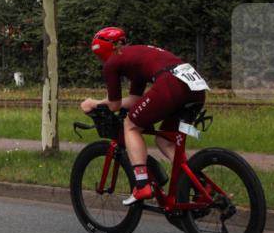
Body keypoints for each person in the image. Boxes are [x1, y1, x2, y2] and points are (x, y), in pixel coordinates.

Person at [80, 27, 209, 205]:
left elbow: (114, 105)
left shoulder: (112, 62)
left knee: (130, 126)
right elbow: (135, 99)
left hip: (171, 83)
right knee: (165, 141)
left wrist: (93, 103)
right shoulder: (134, 56)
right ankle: (201, 185)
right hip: (195, 88)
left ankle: (141, 185)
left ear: (100, 51)